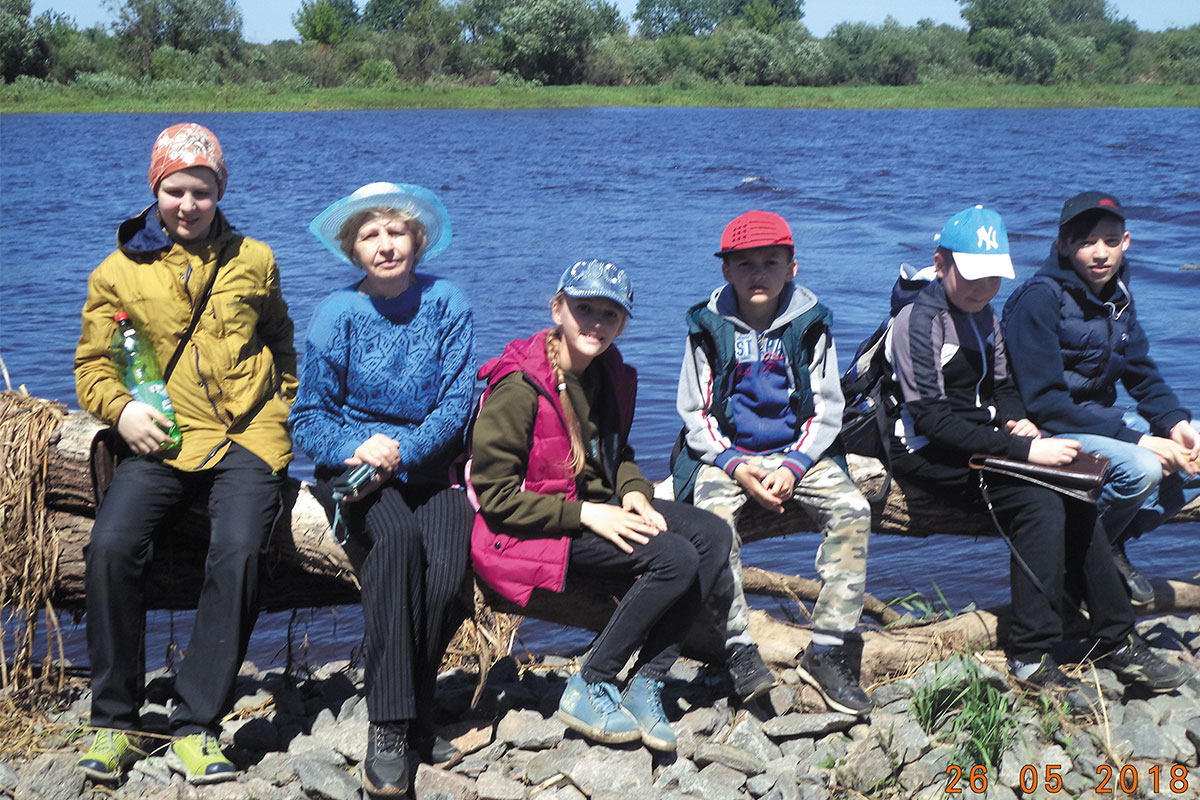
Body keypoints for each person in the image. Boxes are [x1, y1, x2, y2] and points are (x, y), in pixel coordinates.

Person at [884, 204, 1186, 699]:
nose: (984, 290)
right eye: (973, 277)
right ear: (941, 264)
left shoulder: (983, 315)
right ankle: (1030, 653)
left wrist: (1016, 418)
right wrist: (1023, 453)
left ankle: (1116, 638)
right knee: (1040, 502)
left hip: (980, 437)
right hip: (924, 451)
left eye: (993, 279)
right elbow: (933, 421)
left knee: (1075, 492)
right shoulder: (919, 320)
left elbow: (1002, 385)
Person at [74, 123, 296, 784]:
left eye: (201, 191)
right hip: (162, 439)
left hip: (247, 438)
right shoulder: (117, 271)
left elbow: (282, 345)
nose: (188, 205)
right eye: (175, 191)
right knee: (110, 549)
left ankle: (197, 723)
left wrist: (276, 410)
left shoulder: (254, 259)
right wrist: (123, 411)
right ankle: (115, 720)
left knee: (241, 552)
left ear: (219, 190)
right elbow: (92, 370)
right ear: (156, 190)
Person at [468, 260, 731, 753]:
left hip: (592, 507)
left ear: (623, 323)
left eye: (609, 314)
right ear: (558, 308)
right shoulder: (519, 386)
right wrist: (591, 514)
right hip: (528, 529)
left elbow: (618, 454)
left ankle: (646, 680)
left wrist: (633, 492)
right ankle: (592, 679)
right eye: (583, 308)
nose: (595, 323)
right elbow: (496, 499)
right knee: (674, 558)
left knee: (712, 535)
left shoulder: (606, 373)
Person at [290, 182, 475, 797]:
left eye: (397, 232)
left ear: (418, 240)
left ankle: (418, 703)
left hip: (430, 469)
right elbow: (308, 418)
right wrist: (357, 447)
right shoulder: (335, 316)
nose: (386, 244)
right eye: (371, 234)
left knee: (448, 578)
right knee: (395, 546)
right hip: (359, 475)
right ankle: (390, 728)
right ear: (353, 249)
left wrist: (407, 451)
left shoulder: (447, 302)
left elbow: (456, 404)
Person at [673, 210, 874, 715]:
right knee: (713, 524)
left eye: (770, 262)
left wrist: (793, 467)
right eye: (744, 264)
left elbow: (829, 409)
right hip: (726, 456)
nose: (757, 274)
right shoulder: (707, 326)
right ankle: (738, 646)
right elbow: (695, 411)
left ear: (793, 266)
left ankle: (827, 650)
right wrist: (736, 466)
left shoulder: (810, 325)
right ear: (726, 271)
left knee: (854, 510)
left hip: (798, 453)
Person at [1002, 191, 1200, 605]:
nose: (1100, 253)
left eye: (1110, 241)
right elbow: (1044, 403)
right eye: (1086, 241)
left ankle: (1108, 543)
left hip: (1099, 418)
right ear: (1062, 244)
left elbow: (1142, 376)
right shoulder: (1038, 299)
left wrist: (1176, 424)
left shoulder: (1118, 297)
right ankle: (1084, 558)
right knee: (1144, 467)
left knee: (1196, 448)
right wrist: (1142, 441)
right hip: (1051, 430)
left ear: (1126, 241)